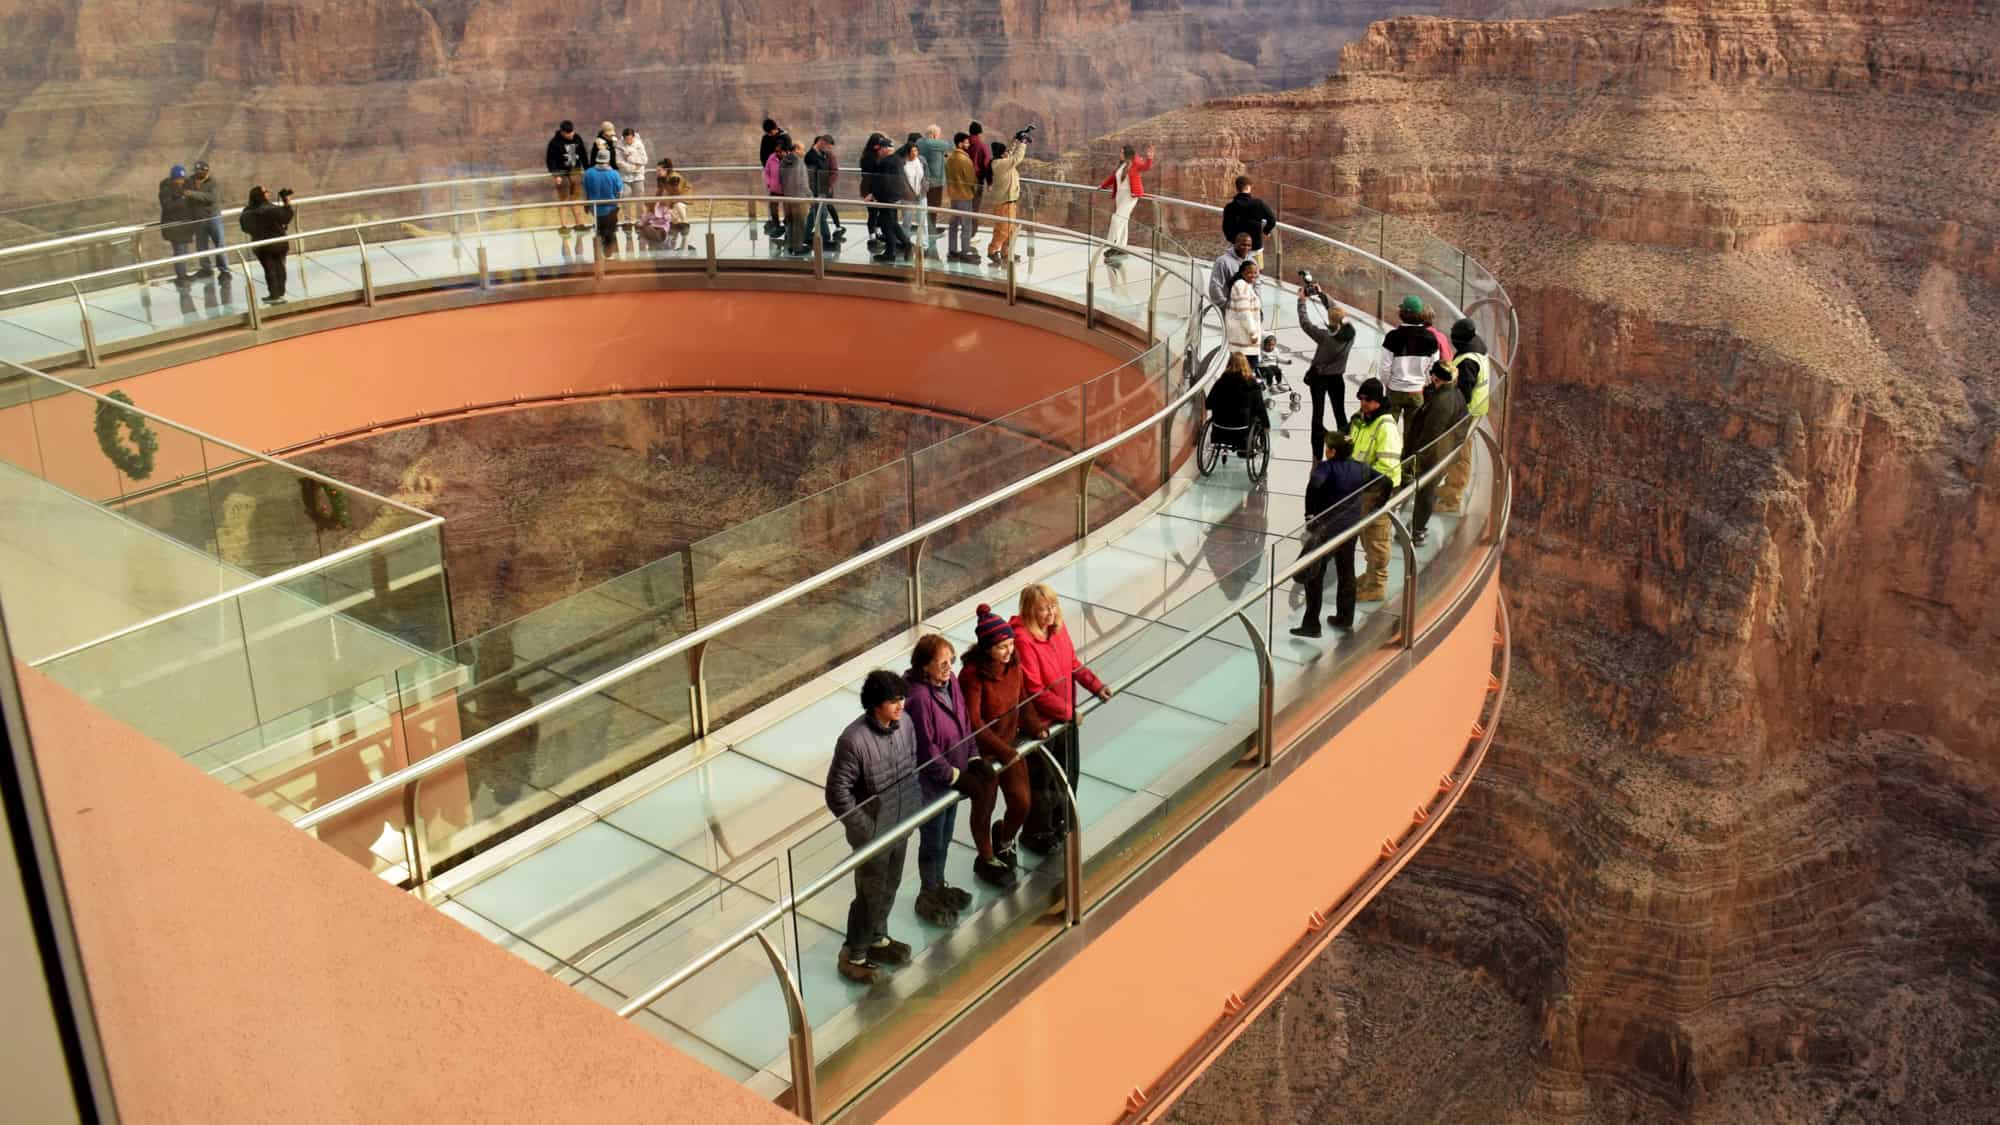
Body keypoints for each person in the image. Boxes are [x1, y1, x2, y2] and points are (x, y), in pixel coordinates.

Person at [824, 670, 922, 984]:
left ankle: (878, 938)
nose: (900, 705)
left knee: (890, 884)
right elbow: (837, 793)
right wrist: (867, 828)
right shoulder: (853, 740)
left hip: (900, 821)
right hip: (874, 833)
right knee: (869, 893)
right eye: (893, 700)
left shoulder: (905, 724)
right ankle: (854, 953)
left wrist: (912, 806)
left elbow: (912, 761)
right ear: (875, 704)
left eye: (901, 698)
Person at [1012, 585, 1110, 853]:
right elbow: (1034, 690)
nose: (1050, 613)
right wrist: (1067, 712)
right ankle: (1037, 833)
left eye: (1053, 606)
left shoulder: (1058, 629)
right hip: (1043, 725)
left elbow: (1072, 663)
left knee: (1068, 772)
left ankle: (1060, 823)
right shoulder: (1023, 640)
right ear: (1030, 611)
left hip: (1065, 717)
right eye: (1044, 608)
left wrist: (1096, 685)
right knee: (1043, 782)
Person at [959, 604, 1046, 888]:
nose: (1009, 651)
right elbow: (973, 721)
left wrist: (1035, 727)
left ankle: (1005, 840)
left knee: (1021, 802)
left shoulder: (1014, 666)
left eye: (1010, 644)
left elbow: (1022, 700)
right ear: (986, 649)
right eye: (1001, 647)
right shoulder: (971, 676)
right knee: (984, 808)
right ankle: (986, 857)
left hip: (1008, 744)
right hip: (984, 754)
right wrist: (1004, 750)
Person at [904, 635, 979, 926]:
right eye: (942, 663)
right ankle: (928, 890)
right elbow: (926, 748)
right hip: (933, 786)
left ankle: (939, 884)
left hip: (954, 779)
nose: (948, 667)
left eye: (951, 660)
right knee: (933, 840)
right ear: (925, 667)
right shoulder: (920, 698)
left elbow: (964, 723)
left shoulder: (952, 683)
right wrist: (954, 776)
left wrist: (972, 758)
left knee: (945, 837)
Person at [1292, 432, 1381, 637]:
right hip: (1350, 528)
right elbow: (1384, 482)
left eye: (1327, 447)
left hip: (1326, 529)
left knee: (1313, 574)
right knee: (1346, 571)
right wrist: (1376, 506)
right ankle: (1344, 617)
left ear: (1332, 451)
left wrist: (1310, 514)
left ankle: (1312, 624)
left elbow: (1314, 485)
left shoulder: (1326, 467)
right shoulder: (1361, 468)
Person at [1347, 378, 1404, 602]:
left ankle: (1377, 585)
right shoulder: (1362, 421)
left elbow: (1387, 467)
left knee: (1377, 537)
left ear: (1378, 401)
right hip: (1364, 488)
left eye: (1368, 400)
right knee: (1367, 536)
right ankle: (1371, 576)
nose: (1363, 404)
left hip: (1380, 489)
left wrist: (1362, 479)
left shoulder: (1385, 426)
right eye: (1361, 399)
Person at [1408, 360, 1469, 546]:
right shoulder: (1455, 394)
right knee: (1428, 490)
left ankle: (1417, 529)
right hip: (1445, 453)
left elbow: (1431, 433)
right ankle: (1418, 525)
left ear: (1436, 377)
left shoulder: (1442, 401)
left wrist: (1418, 457)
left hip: (1435, 455)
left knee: (1425, 491)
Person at [1435, 318, 1491, 514]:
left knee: (1459, 454)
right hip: (1474, 409)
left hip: (1464, 413)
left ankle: (1452, 499)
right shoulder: (1477, 347)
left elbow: (1463, 393)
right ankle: (1450, 487)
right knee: (1457, 451)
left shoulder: (1468, 361)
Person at [1298, 284, 1356, 460]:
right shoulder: (1351, 333)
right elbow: (1334, 309)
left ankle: (1317, 453)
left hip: (1319, 380)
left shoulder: (1324, 337)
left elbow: (1305, 323)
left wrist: (1302, 301)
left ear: (1330, 321)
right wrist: (1321, 293)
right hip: (1337, 379)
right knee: (1340, 413)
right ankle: (1345, 445)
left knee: (1318, 415)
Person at [1378, 295, 1440, 435]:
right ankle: (1408, 456)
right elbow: (1433, 367)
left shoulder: (1392, 336)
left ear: (1402, 314)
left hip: (1395, 389)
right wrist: (1423, 382)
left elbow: (1384, 367)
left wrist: (1389, 383)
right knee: (1412, 432)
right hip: (1417, 391)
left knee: (1388, 429)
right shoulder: (1431, 338)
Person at [1096, 143, 1155, 257]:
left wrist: (1150, 158)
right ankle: (1122, 248)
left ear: (1127, 153)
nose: (1120, 154)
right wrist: (1102, 186)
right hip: (1120, 197)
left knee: (1116, 219)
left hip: (1130, 196)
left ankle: (1113, 245)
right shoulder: (1122, 165)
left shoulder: (1135, 162)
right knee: (1123, 221)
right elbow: (1113, 178)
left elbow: (1145, 167)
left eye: (1121, 152)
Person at [240, 186, 296, 304]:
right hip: (278, 244)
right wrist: (287, 202)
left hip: (261, 246)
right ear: (262, 195)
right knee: (279, 268)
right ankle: (278, 294)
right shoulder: (272, 209)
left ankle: (274, 294)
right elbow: (287, 217)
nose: (268, 193)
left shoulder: (247, 212)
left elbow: (244, 228)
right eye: (266, 192)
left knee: (269, 269)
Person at [863, 134, 912, 262]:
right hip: (895, 196)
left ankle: (890, 253)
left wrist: (873, 195)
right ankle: (906, 244)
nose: (878, 152)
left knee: (886, 225)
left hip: (887, 197)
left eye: (880, 149)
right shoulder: (897, 159)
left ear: (885, 149)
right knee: (892, 223)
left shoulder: (886, 162)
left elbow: (882, 182)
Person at [986, 135, 1031, 265]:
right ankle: (992, 251)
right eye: (1004, 152)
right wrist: (1023, 143)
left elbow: (1010, 152)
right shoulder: (1000, 164)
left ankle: (1007, 252)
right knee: (1003, 229)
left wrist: (1016, 139)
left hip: (1010, 201)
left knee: (1010, 229)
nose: (1007, 153)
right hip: (1004, 202)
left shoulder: (1001, 161)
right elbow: (1017, 158)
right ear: (1001, 154)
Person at [183, 160, 227, 279]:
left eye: (201, 171)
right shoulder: (190, 181)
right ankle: (206, 269)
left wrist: (193, 194)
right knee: (201, 246)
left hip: (213, 218)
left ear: (206, 171)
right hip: (198, 220)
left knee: (219, 244)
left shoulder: (213, 182)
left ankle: (224, 270)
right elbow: (186, 198)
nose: (198, 173)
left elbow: (212, 198)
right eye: (196, 171)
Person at [545, 120, 590, 231]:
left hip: (576, 172)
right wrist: (556, 175)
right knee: (564, 199)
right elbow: (550, 160)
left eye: (572, 132)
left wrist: (587, 170)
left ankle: (579, 224)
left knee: (576, 198)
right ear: (562, 132)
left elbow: (583, 154)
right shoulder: (554, 143)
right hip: (562, 173)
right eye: (568, 133)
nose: (571, 135)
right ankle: (564, 226)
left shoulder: (577, 138)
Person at [157, 165, 196, 288]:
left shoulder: (186, 185)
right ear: (173, 179)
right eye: (179, 179)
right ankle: (181, 277)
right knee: (179, 252)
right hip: (174, 226)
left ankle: (183, 274)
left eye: (182, 179)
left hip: (185, 225)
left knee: (184, 252)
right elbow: (168, 206)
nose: (181, 181)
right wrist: (182, 199)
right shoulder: (165, 190)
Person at [1221, 174, 1277, 258]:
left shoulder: (1230, 207)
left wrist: (1234, 241)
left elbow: (1226, 228)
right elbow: (1272, 220)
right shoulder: (1259, 203)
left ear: (1237, 188)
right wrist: (1265, 231)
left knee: (1238, 270)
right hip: (1256, 248)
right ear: (1248, 187)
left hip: (1238, 249)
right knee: (1256, 270)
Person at [803, 134, 845, 247]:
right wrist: (814, 193)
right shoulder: (810, 156)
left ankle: (805, 237)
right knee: (821, 214)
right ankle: (826, 239)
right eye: (828, 147)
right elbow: (811, 177)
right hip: (816, 190)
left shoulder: (821, 154)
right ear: (822, 142)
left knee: (814, 214)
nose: (829, 150)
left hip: (822, 189)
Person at [944, 132, 980, 263]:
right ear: (960, 144)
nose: (968, 144)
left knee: (953, 224)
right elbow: (971, 180)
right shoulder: (965, 160)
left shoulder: (950, 158)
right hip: (965, 196)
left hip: (954, 195)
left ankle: (952, 250)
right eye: (966, 142)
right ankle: (965, 252)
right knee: (966, 225)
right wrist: (973, 192)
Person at [582, 149, 623, 256]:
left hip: (596, 210)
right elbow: (620, 193)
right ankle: (611, 254)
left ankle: (601, 255)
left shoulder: (588, 173)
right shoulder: (614, 174)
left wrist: (586, 205)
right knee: (611, 232)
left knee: (600, 231)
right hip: (611, 210)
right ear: (608, 159)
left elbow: (585, 192)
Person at [917, 125, 954, 241]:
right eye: (939, 134)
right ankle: (931, 229)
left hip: (922, 179)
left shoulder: (920, 142)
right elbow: (950, 146)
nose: (940, 136)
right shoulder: (932, 143)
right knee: (934, 205)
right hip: (935, 180)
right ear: (934, 134)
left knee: (924, 205)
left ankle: (927, 227)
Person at [899, 141, 933, 256]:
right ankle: (906, 243)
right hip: (907, 197)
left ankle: (924, 245)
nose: (915, 153)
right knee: (907, 222)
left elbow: (927, 175)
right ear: (907, 152)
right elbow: (901, 181)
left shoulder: (922, 160)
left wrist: (926, 186)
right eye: (913, 151)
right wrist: (908, 193)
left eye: (916, 150)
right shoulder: (902, 163)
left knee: (923, 221)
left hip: (921, 195)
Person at [777, 139, 811, 255]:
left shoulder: (783, 161)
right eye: (802, 149)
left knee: (790, 223)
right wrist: (810, 195)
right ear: (796, 149)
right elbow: (803, 182)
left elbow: (780, 180)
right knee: (800, 223)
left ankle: (790, 246)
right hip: (799, 197)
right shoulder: (799, 162)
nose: (804, 152)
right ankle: (798, 248)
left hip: (787, 198)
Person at [1207, 231, 1255, 308]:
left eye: (1249, 245)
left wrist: (1258, 305)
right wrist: (1226, 305)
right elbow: (1215, 286)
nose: (1246, 248)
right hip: (1230, 308)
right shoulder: (1222, 261)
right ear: (1235, 244)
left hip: (1248, 308)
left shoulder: (1252, 261)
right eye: (1243, 245)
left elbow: (1256, 284)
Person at [615, 127, 649, 228]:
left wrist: (630, 157)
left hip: (638, 176)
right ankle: (627, 220)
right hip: (625, 177)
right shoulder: (619, 146)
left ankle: (640, 219)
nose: (629, 141)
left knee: (640, 198)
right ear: (624, 138)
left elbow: (644, 160)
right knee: (625, 197)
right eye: (627, 139)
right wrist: (633, 168)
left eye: (630, 139)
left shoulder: (639, 144)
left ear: (633, 137)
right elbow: (619, 162)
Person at [966, 121, 993, 247]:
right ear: (980, 132)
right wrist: (990, 182)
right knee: (974, 208)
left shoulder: (963, 144)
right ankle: (972, 234)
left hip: (962, 180)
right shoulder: (982, 146)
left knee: (964, 207)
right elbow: (986, 165)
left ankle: (965, 232)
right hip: (976, 181)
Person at [759, 118, 786, 228]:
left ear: (775, 128)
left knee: (785, 198)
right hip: (769, 171)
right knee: (771, 198)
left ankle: (787, 219)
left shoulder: (784, 137)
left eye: (771, 132)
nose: (770, 134)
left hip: (783, 173)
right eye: (768, 133)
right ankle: (773, 221)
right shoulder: (765, 138)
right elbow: (762, 155)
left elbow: (788, 153)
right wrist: (768, 168)